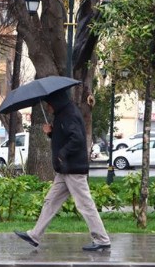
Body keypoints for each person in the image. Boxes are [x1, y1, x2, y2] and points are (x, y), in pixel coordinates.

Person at [14, 89, 111, 251]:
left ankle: (102, 239)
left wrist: (62, 154)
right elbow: (65, 136)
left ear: (56, 102)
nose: (47, 108)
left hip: (73, 169)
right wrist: (52, 133)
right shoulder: (63, 114)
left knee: (85, 205)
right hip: (64, 170)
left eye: (49, 104)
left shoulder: (69, 115)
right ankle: (34, 235)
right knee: (50, 201)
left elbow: (77, 139)